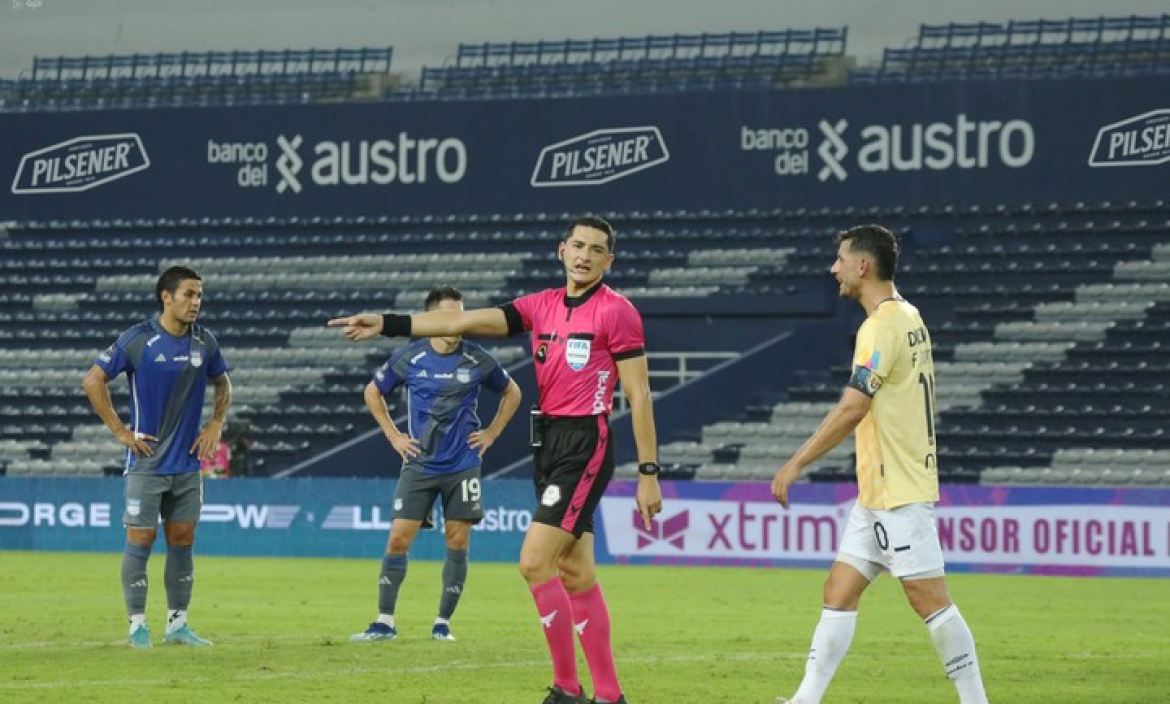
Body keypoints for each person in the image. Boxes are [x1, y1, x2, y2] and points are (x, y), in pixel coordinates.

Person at [330, 216, 663, 704]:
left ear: (608, 260)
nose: (584, 255)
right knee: (575, 573)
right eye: (577, 245)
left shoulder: (617, 312)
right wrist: (387, 324)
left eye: (596, 249)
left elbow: (639, 393)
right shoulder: (540, 306)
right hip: (547, 441)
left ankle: (567, 691)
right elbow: (457, 321)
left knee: (533, 563)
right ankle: (610, 697)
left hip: (583, 442)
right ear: (561, 250)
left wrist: (649, 473)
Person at [769, 225, 990, 704]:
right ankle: (805, 700)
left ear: (863, 266)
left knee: (929, 600)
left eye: (841, 259)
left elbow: (854, 407)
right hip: (879, 491)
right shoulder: (908, 315)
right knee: (839, 589)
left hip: (897, 490)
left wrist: (794, 463)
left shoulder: (880, 327)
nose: (835, 268)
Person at [350, 285, 523, 643]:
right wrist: (394, 435)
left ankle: (442, 623)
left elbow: (513, 392)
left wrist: (490, 434)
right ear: (429, 319)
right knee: (398, 539)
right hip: (420, 463)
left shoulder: (477, 359)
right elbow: (372, 391)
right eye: (447, 315)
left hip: (463, 463)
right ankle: (384, 621)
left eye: (460, 314)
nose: (456, 321)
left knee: (457, 540)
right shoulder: (410, 357)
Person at [81, 265, 232, 649]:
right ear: (166, 296)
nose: (196, 302)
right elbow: (93, 380)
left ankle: (178, 626)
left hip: (187, 464)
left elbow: (223, 380)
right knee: (141, 540)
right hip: (146, 462)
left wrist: (216, 421)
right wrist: (120, 432)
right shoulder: (139, 339)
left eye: (199, 295)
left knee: (183, 540)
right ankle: (136, 627)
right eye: (188, 294)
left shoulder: (205, 341)